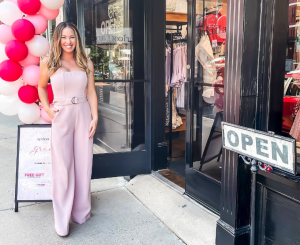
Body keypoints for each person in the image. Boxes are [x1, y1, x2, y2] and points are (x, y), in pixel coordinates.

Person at [38, 22, 98, 237]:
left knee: (84, 164)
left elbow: (91, 91)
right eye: (63, 37)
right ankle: (62, 219)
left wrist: (95, 116)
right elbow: (41, 87)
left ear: (77, 39)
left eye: (72, 37)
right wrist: (47, 108)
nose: (68, 41)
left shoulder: (86, 62)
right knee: (62, 167)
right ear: (57, 39)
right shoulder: (49, 62)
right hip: (62, 115)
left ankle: (81, 212)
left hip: (83, 114)